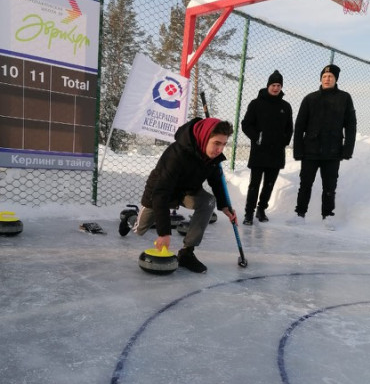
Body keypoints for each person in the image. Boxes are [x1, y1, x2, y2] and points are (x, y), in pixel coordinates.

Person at [119, 117, 237, 273]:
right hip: (158, 192)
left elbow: (216, 180)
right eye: (216, 143)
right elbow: (161, 194)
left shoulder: (212, 157)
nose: (220, 149)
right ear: (204, 137)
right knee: (139, 229)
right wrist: (164, 233)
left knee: (208, 202)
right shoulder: (177, 154)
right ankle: (129, 218)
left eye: (224, 144)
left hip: (186, 191)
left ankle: (187, 252)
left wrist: (224, 206)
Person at [289, 64, 356, 230]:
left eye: (331, 77)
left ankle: (327, 216)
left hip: (333, 151)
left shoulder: (344, 98)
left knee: (330, 186)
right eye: (325, 77)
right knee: (305, 184)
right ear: (320, 79)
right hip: (310, 150)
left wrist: (347, 149)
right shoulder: (310, 98)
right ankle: (300, 214)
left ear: (336, 79)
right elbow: (299, 126)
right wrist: (298, 150)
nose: (327, 79)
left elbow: (351, 125)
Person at [241, 70, 293, 225]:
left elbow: (289, 128)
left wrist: (284, 141)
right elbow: (246, 124)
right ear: (268, 85)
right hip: (259, 151)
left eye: (278, 85)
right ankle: (249, 213)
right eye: (273, 85)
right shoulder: (256, 103)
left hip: (276, 152)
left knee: (269, 184)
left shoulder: (286, 106)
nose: (276, 88)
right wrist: (257, 137)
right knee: (254, 185)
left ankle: (261, 209)